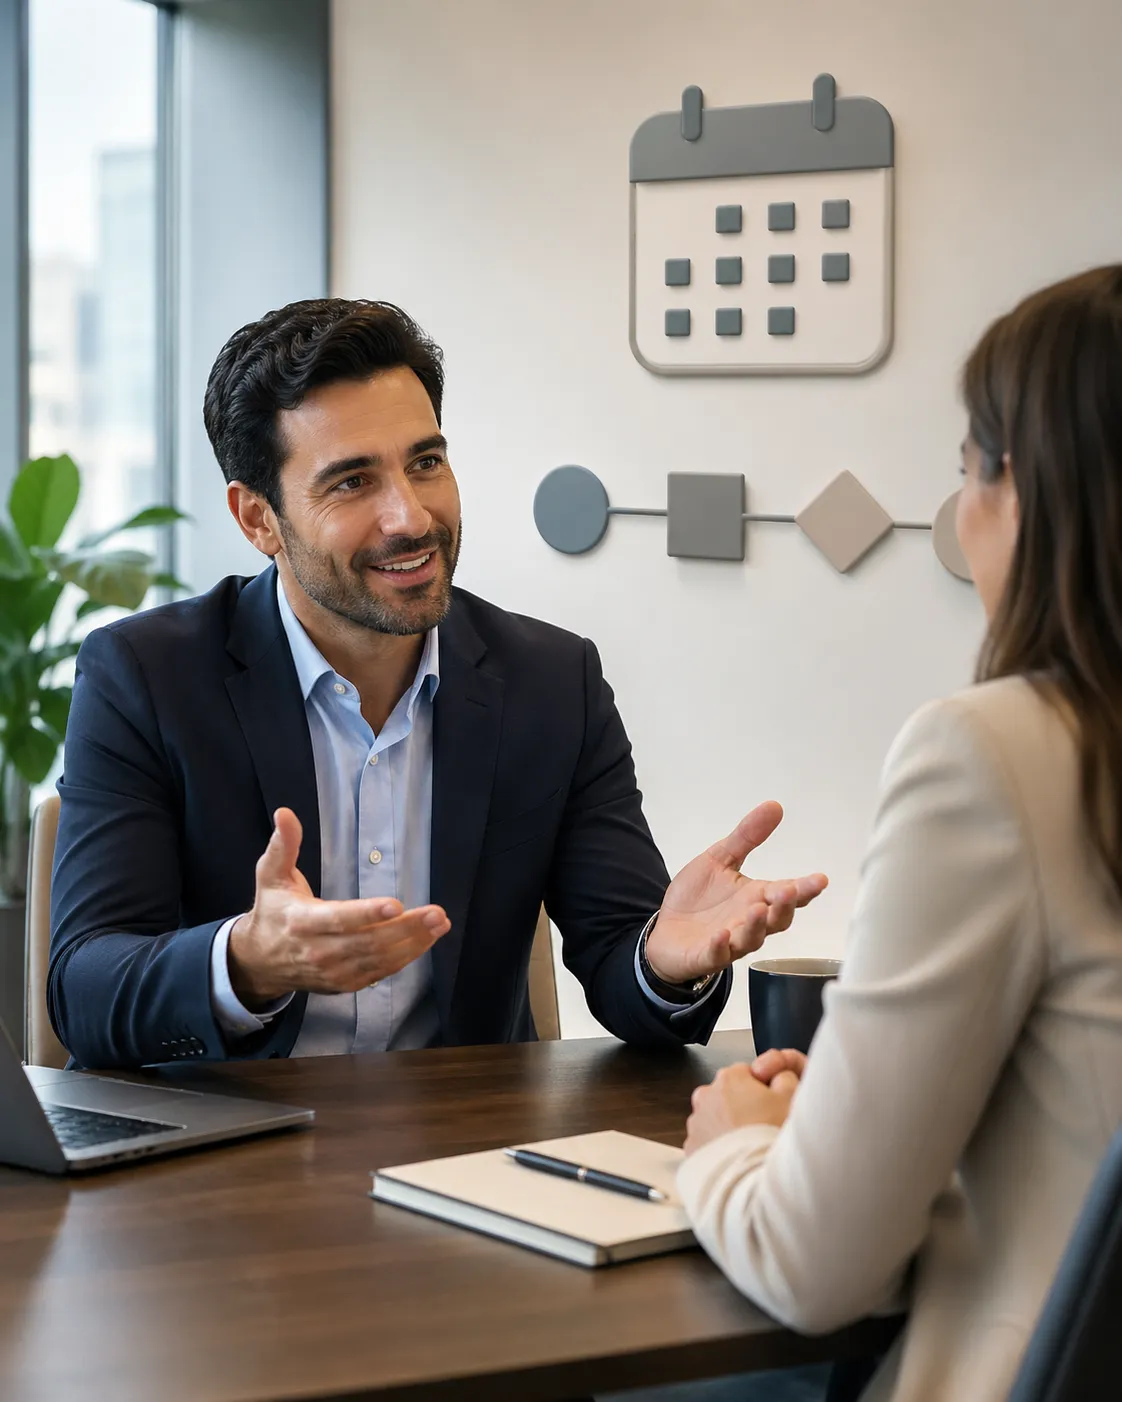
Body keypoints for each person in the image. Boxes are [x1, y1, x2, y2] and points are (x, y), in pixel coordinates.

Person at [48, 298, 827, 1069]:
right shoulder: (146, 677)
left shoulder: (552, 684)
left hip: (466, 1137)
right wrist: (245, 963)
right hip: (225, 1134)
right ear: (258, 519)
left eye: (425, 463)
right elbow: (85, 990)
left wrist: (662, 961)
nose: (412, 517)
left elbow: (623, 967)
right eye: (353, 482)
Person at [666, 264, 1122, 1402]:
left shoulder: (999, 753)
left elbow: (813, 1266)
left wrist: (739, 1139)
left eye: (969, 468)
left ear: (1031, 492)